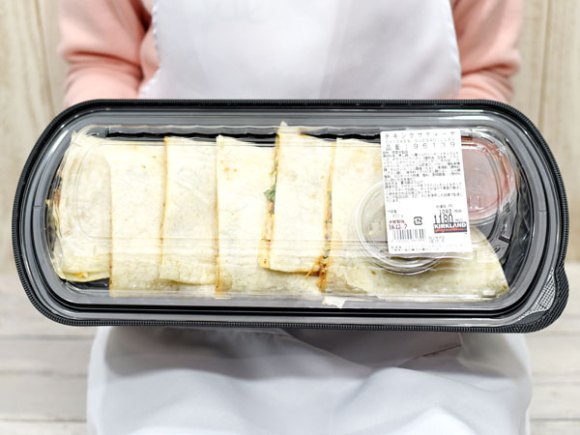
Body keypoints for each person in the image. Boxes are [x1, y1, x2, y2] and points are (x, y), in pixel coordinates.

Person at [60, 1, 529, 434]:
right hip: (175, 314)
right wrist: (104, 192)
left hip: (422, 310)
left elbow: (482, 72)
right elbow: (104, 63)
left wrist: (463, 179)